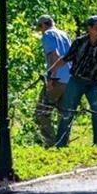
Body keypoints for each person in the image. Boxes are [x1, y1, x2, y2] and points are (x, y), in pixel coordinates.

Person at [49, 15, 97, 147]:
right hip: (77, 81)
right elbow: (65, 59)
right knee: (68, 111)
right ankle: (61, 143)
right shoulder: (79, 43)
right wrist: (51, 72)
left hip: (94, 84)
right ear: (89, 28)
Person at [34, 15, 71, 147]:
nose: (41, 31)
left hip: (57, 78)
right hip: (69, 79)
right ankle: (63, 143)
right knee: (63, 113)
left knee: (41, 112)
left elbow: (54, 55)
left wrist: (51, 77)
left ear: (43, 25)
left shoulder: (48, 35)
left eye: (40, 28)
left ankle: (50, 142)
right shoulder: (64, 35)